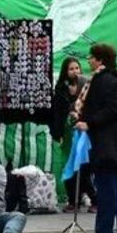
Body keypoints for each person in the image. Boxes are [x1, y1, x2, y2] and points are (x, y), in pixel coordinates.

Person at [76, 43, 117, 233]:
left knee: (106, 190)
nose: (89, 60)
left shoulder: (104, 81)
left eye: (91, 57)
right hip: (114, 142)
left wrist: (89, 122)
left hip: (105, 143)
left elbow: (111, 109)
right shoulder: (113, 79)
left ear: (100, 59)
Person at [51, 56, 96, 213]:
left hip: (83, 131)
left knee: (83, 165)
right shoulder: (60, 89)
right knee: (69, 165)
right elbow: (57, 113)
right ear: (65, 71)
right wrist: (58, 134)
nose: (75, 71)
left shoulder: (86, 86)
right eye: (71, 69)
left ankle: (93, 198)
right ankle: (72, 200)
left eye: (77, 68)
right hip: (67, 133)